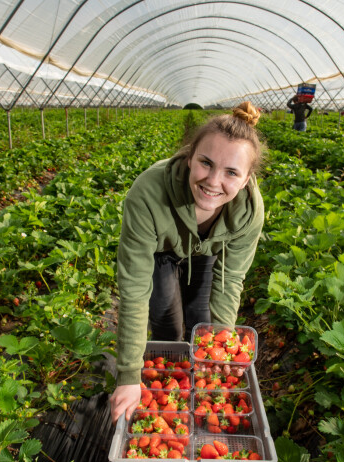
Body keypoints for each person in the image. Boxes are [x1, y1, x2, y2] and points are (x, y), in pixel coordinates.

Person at [109, 102, 266, 423]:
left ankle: (195, 401)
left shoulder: (248, 211)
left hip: (207, 252)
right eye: (205, 163)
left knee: (201, 324)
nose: (213, 181)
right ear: (189, 156)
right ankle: (167, 397)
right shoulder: (148, 193)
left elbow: (230, 279)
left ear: (247, 177)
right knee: (167, 326)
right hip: (160, 252)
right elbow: (134, 288)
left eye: (231, 172)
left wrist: (222, 339)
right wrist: (128, 374)